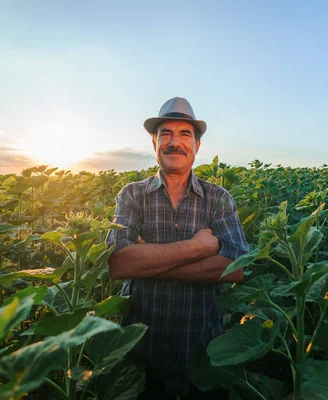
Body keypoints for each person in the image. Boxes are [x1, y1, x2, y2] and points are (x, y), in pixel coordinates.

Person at [106, 97, 249, 399]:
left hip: (200, 350)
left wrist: (149, 263)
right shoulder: (132, 196)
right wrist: (198, 248)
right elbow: (119, 264)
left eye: (185, 134)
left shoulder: (218, 198)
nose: (175, 143)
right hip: (141, 353)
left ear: (197, 146)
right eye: (166, 134)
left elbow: (235, 268)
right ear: (154, 142)